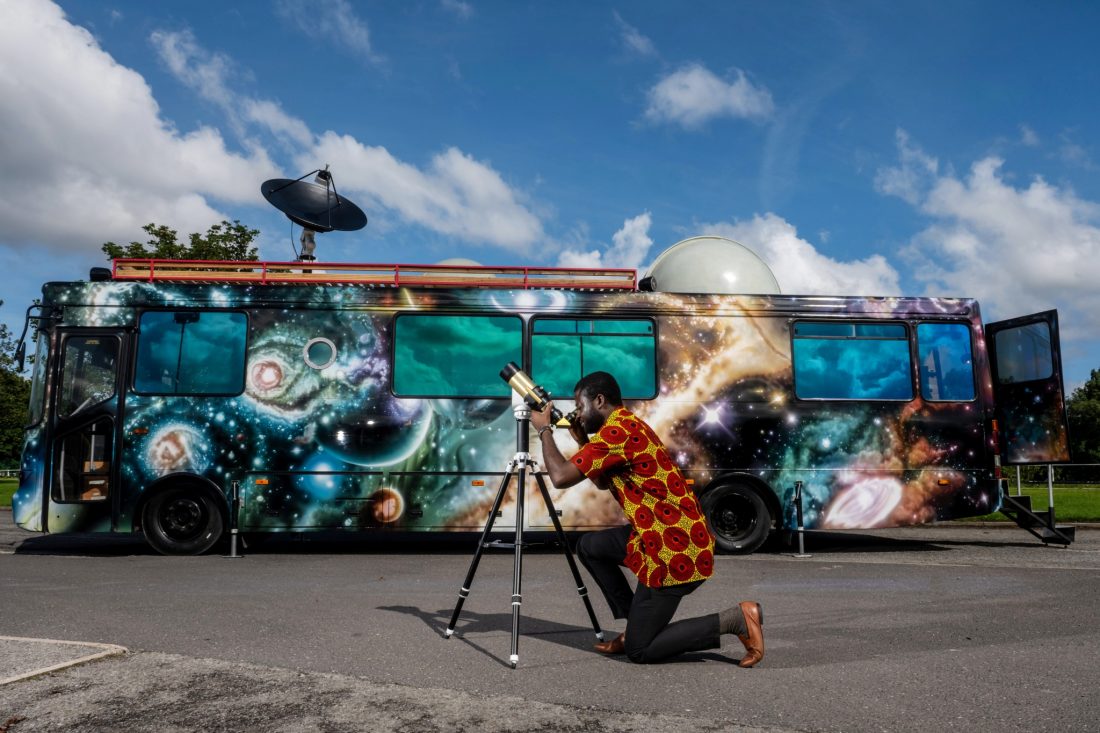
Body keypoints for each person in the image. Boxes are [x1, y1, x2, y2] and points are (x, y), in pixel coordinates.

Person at [530, 371, 765, 666]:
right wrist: (583, 440)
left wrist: (543, 430)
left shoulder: (617, 433)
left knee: (641, 651)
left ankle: (735, 619)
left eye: (581, 405)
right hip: (656, 534)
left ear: (599, 400)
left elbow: (561, 477)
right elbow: (603, 482)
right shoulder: (623, 426)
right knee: (590, 547)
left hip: (673, 549)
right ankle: (636, 625)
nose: (577, 413)